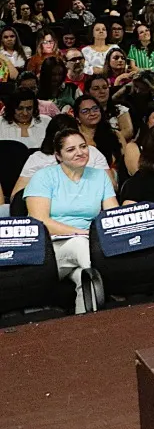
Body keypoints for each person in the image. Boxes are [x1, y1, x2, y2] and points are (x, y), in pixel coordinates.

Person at [25, 126, 119, 312]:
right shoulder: (43, 177)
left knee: (85, 278)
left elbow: (112, 217)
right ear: (58, 156)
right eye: (71, 149)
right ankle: (120, 286)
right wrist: (84, 234)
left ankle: (86, 328)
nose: (80, 152)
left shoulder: (100, 176)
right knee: (79, 245)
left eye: (83, 147)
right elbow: (40, 222)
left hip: (87, 247)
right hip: (50, 249)